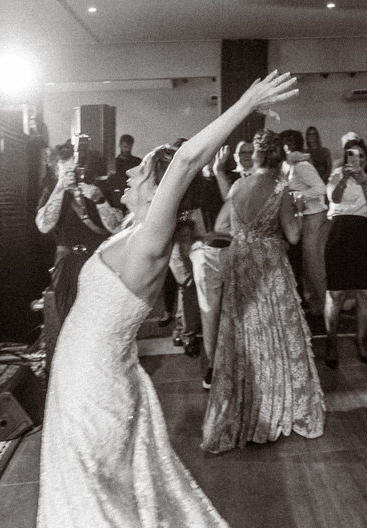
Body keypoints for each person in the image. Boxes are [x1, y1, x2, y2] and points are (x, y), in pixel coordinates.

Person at [38, 72, 297, 525]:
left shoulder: (149, 243)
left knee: (94, 493)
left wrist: (245, 103)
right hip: (82, 371)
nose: (130, 174)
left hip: (93, 383)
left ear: (160, 194)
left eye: (140, 174)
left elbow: (185, 162)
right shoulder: (132, 231)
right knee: (91, 486)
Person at [201, 127, 325, 454]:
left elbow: (221, 227)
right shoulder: (281, 189)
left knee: (245, 335)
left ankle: (248, 409)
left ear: (257, 155)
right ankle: (276, 409)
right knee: (278, 335)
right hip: (269, 264)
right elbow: (295, 236)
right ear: (278, 157)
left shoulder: (239, 185)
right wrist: (295, 212)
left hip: (241, 263)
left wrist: (245, 236)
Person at [35, 144, 125, 323]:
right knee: (70, 320)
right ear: (56, 170)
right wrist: (60, 189)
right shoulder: (51, 191)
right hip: (68, 264)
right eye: (66, 170)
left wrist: (100, 200)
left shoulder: (100, 188)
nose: (72, 174)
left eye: (74, 169)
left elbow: (117, 228)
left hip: (100, 260)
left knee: (104, 318)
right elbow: (44, 225)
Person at [322, 140, 367, 368]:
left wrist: (363, 182)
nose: (356, 161)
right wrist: (346, 178)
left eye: (360, 156)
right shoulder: (336, 176)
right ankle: (331, 342)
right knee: (336, 293)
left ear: (366, 159)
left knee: (365, 293)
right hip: (339, 232)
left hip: (364, 234)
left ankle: (360, 340)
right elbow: (333, 199)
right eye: (352, 156)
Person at [281, 128, 329, 314]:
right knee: (309, 267)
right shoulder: (292, 166)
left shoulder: (302, 166)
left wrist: (299, 196)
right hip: (304, 217)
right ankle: (318, 306)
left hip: (314, 217)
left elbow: (321, 188)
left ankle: (327, 306)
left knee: (315, 265)